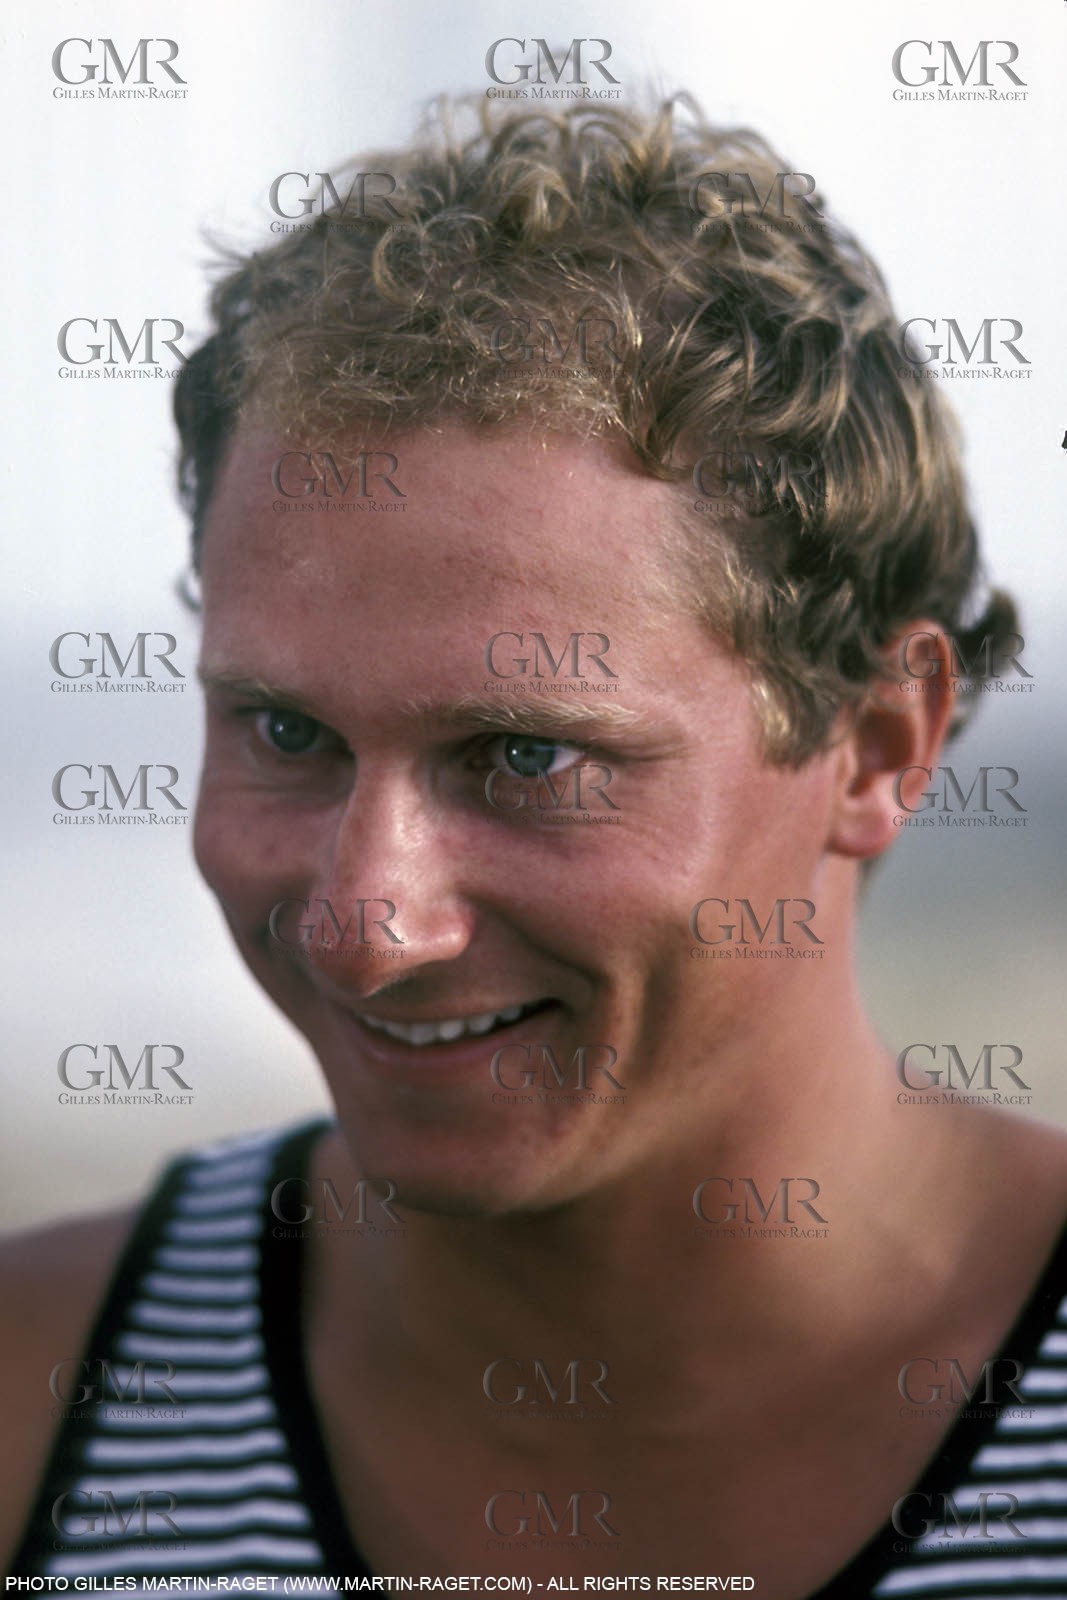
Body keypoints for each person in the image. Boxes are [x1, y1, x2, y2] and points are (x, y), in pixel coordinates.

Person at [5, 96, 1066, 1597]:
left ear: (881, 743)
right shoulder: (41, 1404)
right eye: (287, 735)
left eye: (527, 755)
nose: (367, 922)